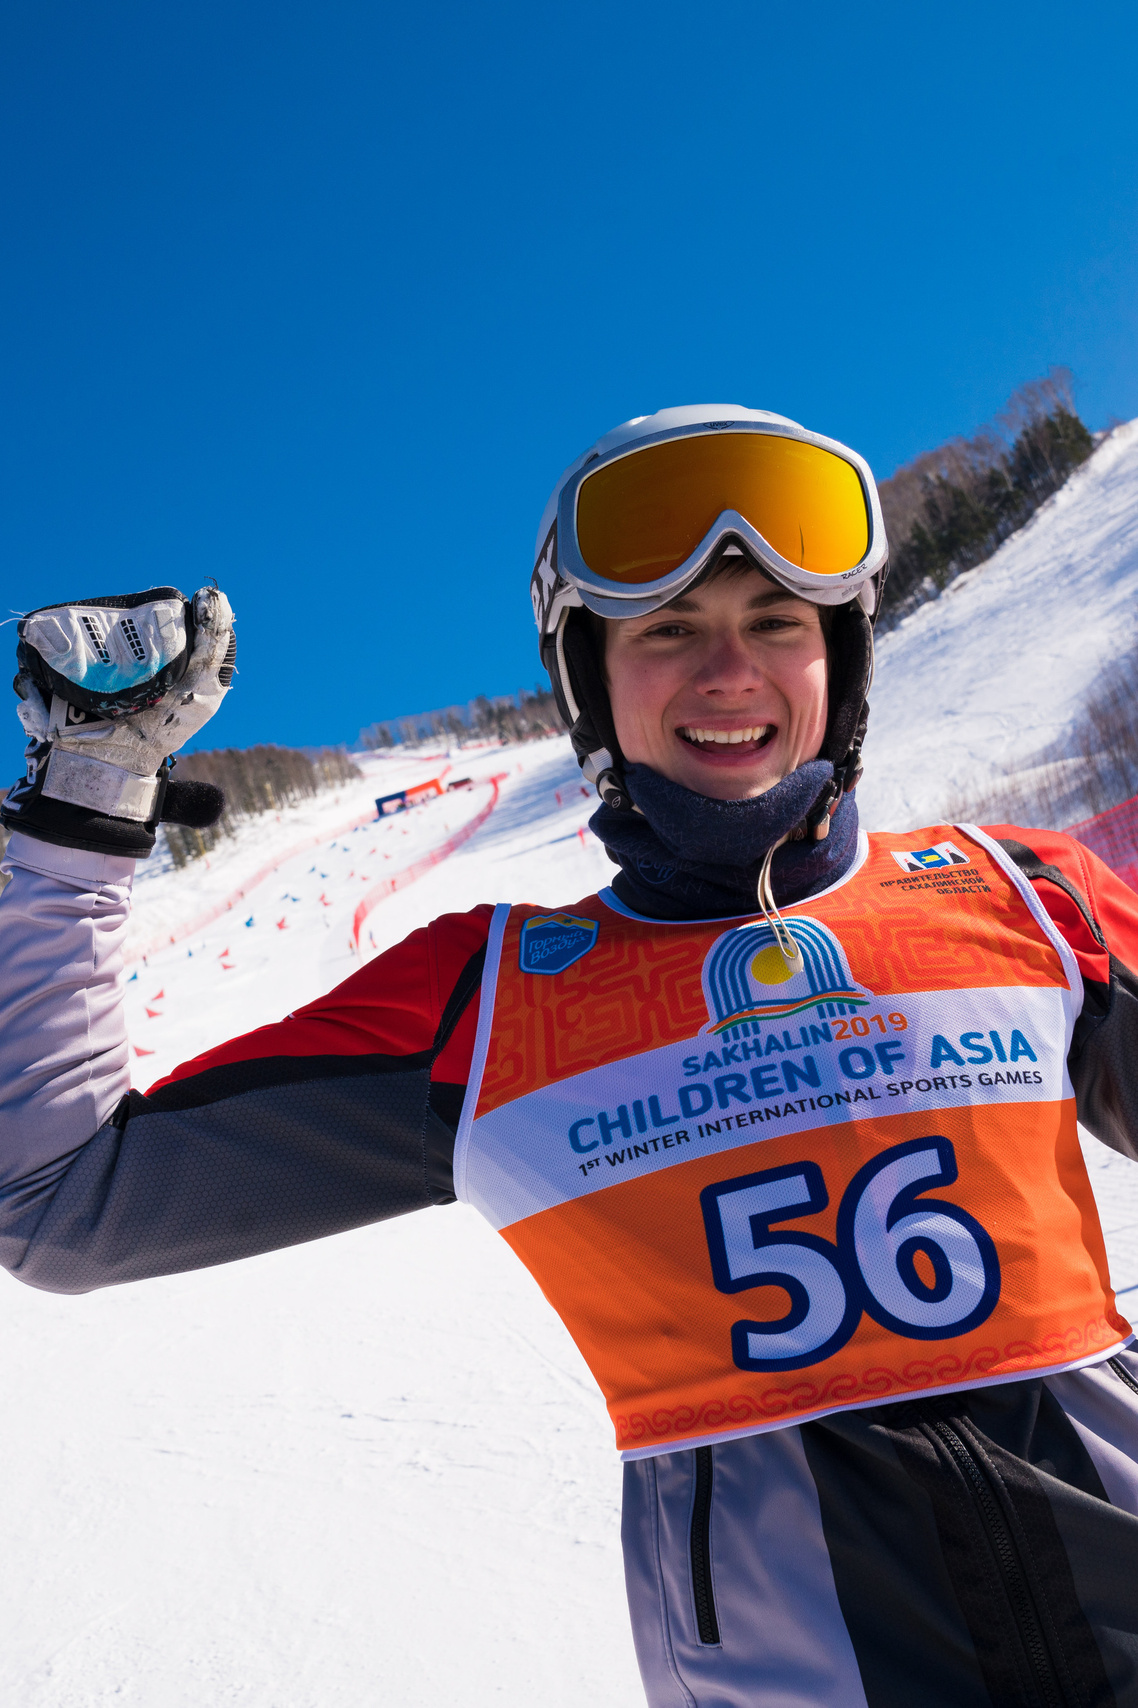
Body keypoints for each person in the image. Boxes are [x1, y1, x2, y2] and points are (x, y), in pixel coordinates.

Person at [3, 403, 1138, 1707]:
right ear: (588, 681)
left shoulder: (1020, 899)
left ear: (840, 659)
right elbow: (57, 1201)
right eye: (667, 633)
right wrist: (86, 790)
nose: (729, 673)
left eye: (776, 622)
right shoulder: (490, 1007)